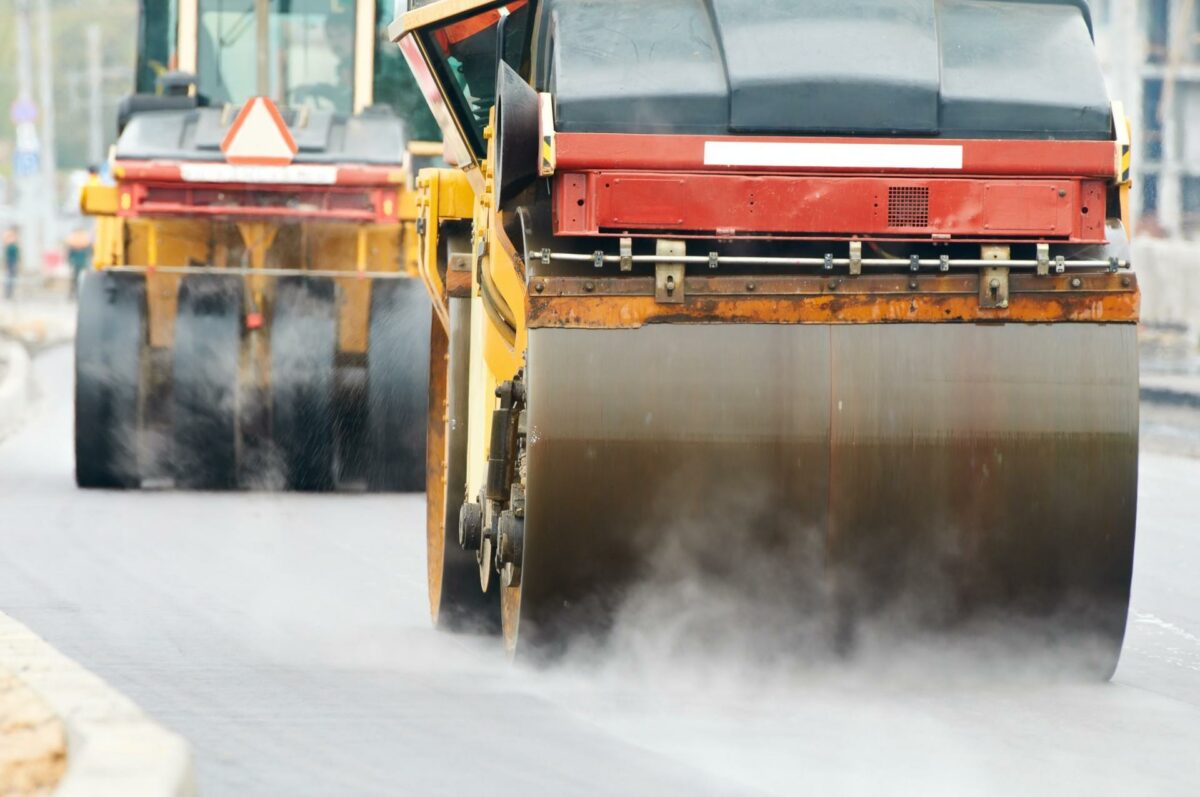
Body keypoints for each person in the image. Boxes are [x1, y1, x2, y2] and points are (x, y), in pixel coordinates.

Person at [65, 227, 93, 299]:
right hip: (79, 265)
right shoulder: (81, 243)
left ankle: (75, 294)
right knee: (76, 280)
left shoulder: (77, 243)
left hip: (80, 264)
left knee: (77, 280)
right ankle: (73, 294)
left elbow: (70, 255)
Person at [2, 227, 19, 301]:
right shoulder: (9, 246)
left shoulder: (13, 246)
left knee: (11, 278)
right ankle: (7, 293)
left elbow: (16, 256)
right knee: (9, 278)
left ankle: (9, 293)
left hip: (12, 263)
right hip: (10, 263)